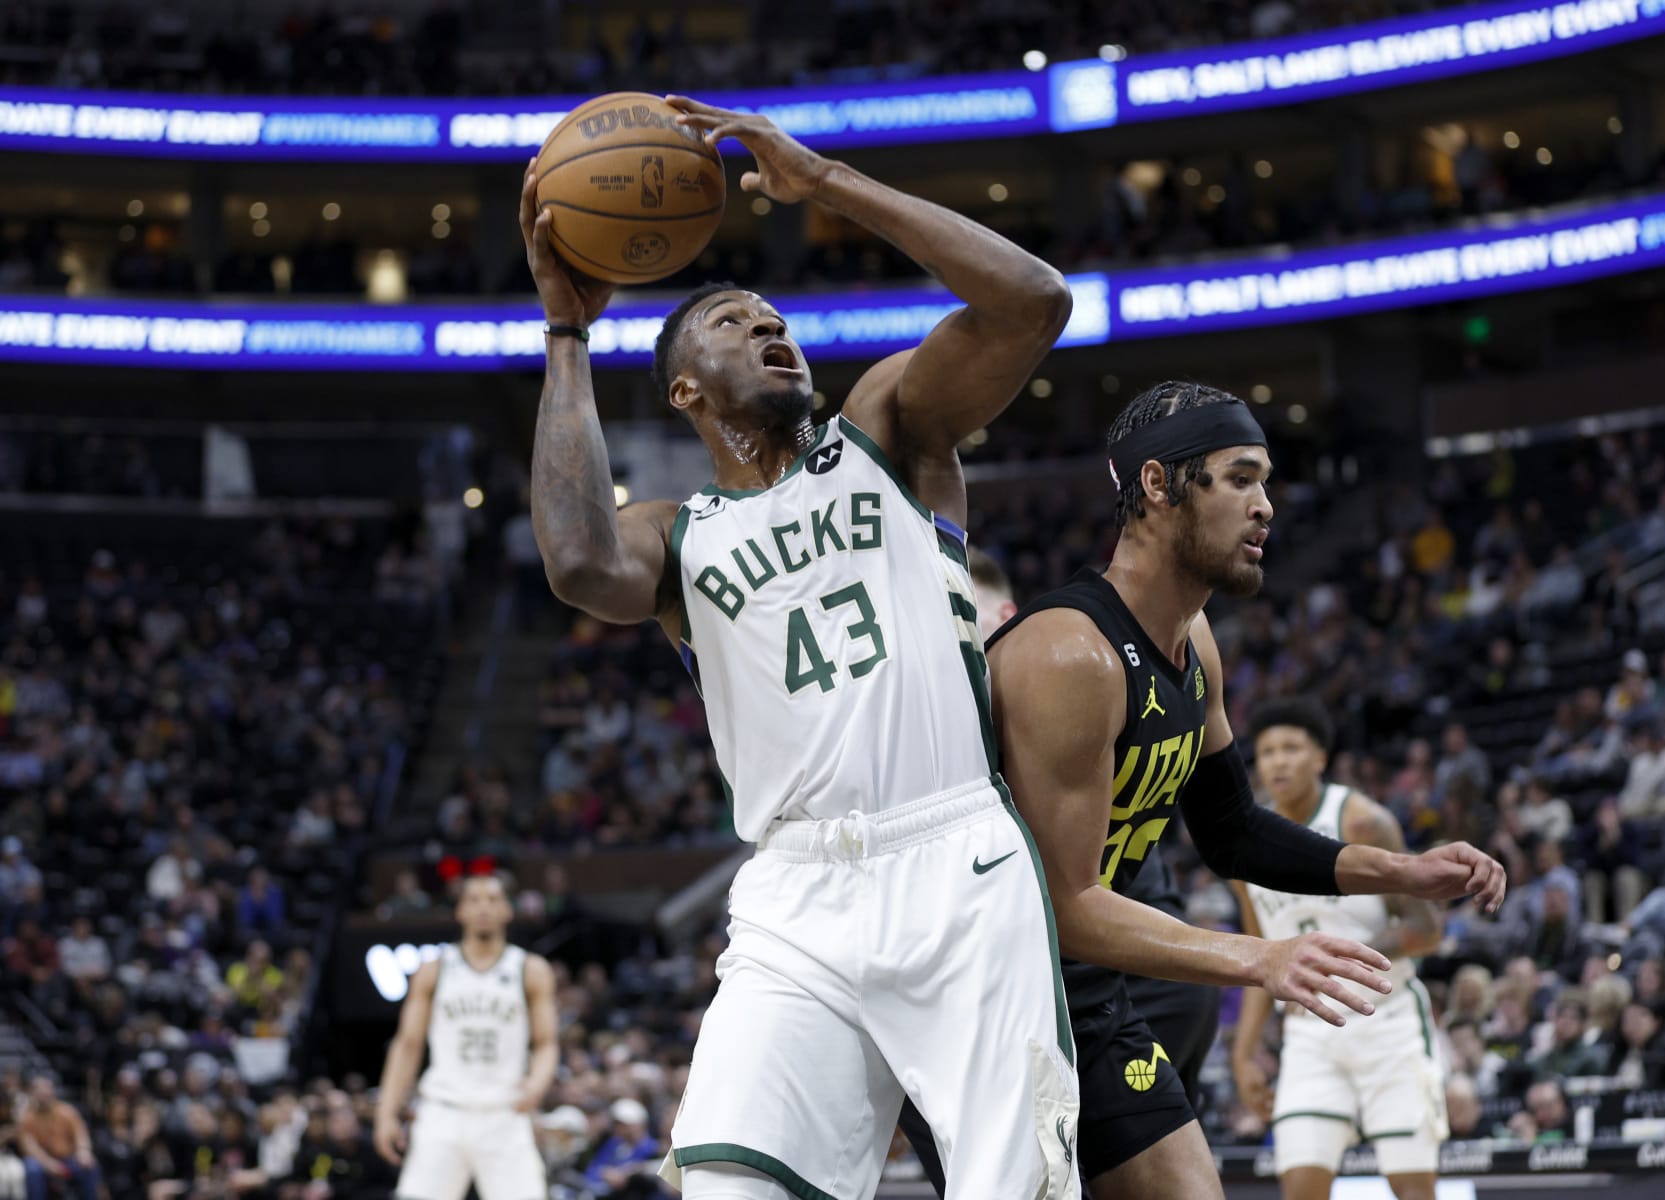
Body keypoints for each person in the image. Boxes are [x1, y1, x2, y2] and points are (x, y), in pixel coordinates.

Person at [520, 94, 1080, 1200]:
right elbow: (580, 563)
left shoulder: (888, 434)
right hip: (793, 897)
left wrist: (824, 182)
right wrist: (567, 332)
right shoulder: (677, 534)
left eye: (777, 316)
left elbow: (1032, 304)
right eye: (736, 322)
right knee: (729, 1185)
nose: (772, 327)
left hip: (954, 858)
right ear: (685, 388)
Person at [944, 382, 1505, 1198]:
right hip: (987, 996)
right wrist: (1261, 958)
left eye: (1266, 481)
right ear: (1158, 487)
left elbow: (1232, 830)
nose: (1266, 506)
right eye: (1240, 478)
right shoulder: (1070, 653)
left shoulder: (1194, 640)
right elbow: (1061, 901)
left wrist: (1402, 869)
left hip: (1086, 989)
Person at [899, 551, 1224, 1194]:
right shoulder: (930, 730)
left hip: (1109, 987)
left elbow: (1078, 907)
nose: (966, 648)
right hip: (973, 999)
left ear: (1012, 621)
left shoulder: (1058, 690)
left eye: (973, 624)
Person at [1231, 697, 1448, 1200]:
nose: (1278, 761)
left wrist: (1346, 959)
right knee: (1301, 1185)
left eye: (1291, 748)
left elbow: (1426, 925)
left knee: (1413, 1188)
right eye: (1266, 752)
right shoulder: (1245, 845)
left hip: (1387, 1022)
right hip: (1309, 1035)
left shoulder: (1362, 823)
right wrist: (1244, 1056)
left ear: (1320, 758)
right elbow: (1258, 958)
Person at [373, 875, 558, 1200]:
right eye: (474, 899)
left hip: (505, 1111)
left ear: (507, 910)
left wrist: (538, 1082)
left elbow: (546, 1043)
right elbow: (408, 1044)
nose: (483, 907)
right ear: (460, 911)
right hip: (443, 1111)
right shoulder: (434, 969)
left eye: (492, 899)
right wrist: (386, 1112)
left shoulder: (530, 969)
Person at [17, 1075, 99, 1200]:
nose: (44, 1092)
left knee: (90, 1166)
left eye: (46, 1088)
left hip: (67, 1159)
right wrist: (48, 1163)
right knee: (32, 1169)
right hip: (41, 1161)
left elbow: (81, 1135)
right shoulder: (26, 1117)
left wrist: (84, 1151)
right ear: (32, 1093)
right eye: (39, 1089)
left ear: (52, 1091)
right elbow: (30, 1147)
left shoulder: (67, 1111)